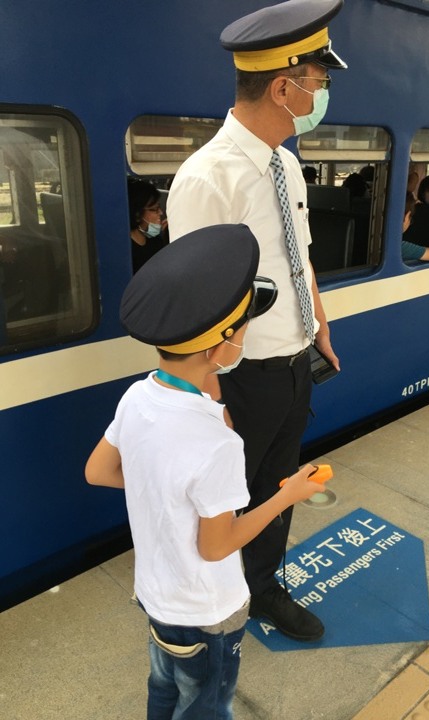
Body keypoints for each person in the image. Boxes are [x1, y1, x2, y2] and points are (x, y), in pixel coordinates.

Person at [85, 224, 328, 720]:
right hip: (207, 612)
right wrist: (288, 495)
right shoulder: (217, 442)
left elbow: (98, 471)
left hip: (156, 597)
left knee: (164, 687)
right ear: (222, 347)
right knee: (208, 705)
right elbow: (216, 545)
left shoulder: (137, 397)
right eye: (243, 329)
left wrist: (165, 485)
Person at [166, 0, 346, 642]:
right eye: (319, 82)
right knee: (226, 500)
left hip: (293, 366)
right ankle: (215, 601)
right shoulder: (206, 179)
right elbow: (197, 308)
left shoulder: (286, 164)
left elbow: (298, 255)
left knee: (277, 486)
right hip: (241, 380)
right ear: (283, 86)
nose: (321, 94)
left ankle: (264, 587)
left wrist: (318, 325)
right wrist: (213, 398)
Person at [127, 177, 168, 274]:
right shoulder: (128, 251)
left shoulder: (155, 241)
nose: (160, 213)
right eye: (154, 209)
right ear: (137, 214)